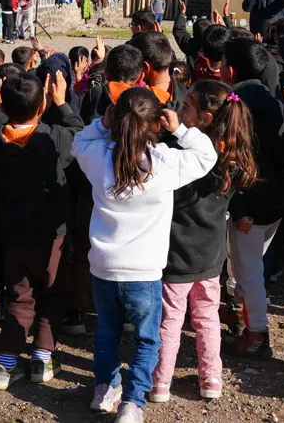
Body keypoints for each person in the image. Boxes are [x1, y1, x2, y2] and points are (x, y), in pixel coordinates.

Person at [70, 88, 218, 423]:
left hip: (104, 268)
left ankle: (105, 389)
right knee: (146, 340)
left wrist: (103, 123)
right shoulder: (164, 162)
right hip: (144, 272)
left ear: (116, 120)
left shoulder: (99, 155)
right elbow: (206, 157)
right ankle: (134, 403)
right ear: (155, 124)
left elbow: (78, 142)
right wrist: (180, 128)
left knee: (106, 332)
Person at [151, 81, 257, 404]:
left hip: (176, 254)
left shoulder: (184, 157)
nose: (180, 113)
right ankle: (211, 377)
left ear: (204, 120)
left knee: (169, 320)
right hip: (211, 256)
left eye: (186, 109)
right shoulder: (233, 159)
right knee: (207, 317)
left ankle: (160, 383)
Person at [0, 71, 83, 389]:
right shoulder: (53, 137)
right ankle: (42, 355)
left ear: (2, 104)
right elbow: (78, 134)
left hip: (11, 234)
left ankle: (6, 360)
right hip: (50, 235)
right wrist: (63, 102)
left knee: (19, 296)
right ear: (42, 106)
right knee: (52, 292)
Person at [221, 39, 284, 358]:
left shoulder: (234, 106)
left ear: (231, 71)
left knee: (249, 273)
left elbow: (231, 162)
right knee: (251, 266)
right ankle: (240, 313)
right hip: (276, 199)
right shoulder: (275, 101)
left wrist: (239, 209)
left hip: (248, 202)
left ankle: (258, 335)